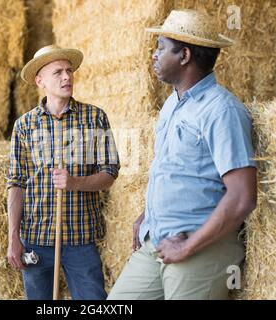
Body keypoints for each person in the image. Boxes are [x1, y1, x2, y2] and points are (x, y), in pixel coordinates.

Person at [108, 9, 257, 300]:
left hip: (199, 247)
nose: (154, 54)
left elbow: (243, 197)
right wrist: (146, 215)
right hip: (158, 241)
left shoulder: (221, 110)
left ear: (184, 55)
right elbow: (178, 172)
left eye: (161, 47)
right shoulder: (172, 105)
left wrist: (187, 248)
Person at [7, 45, 120, 300]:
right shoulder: (25, 125)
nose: (67, 77)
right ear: (40, 81)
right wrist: (13, 236)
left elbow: (109, 174)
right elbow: (16, 182)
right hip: (36, 237)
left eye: (69, 71)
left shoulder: (94, 118)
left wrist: (74, 182)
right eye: (58, 72)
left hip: (81, 238)